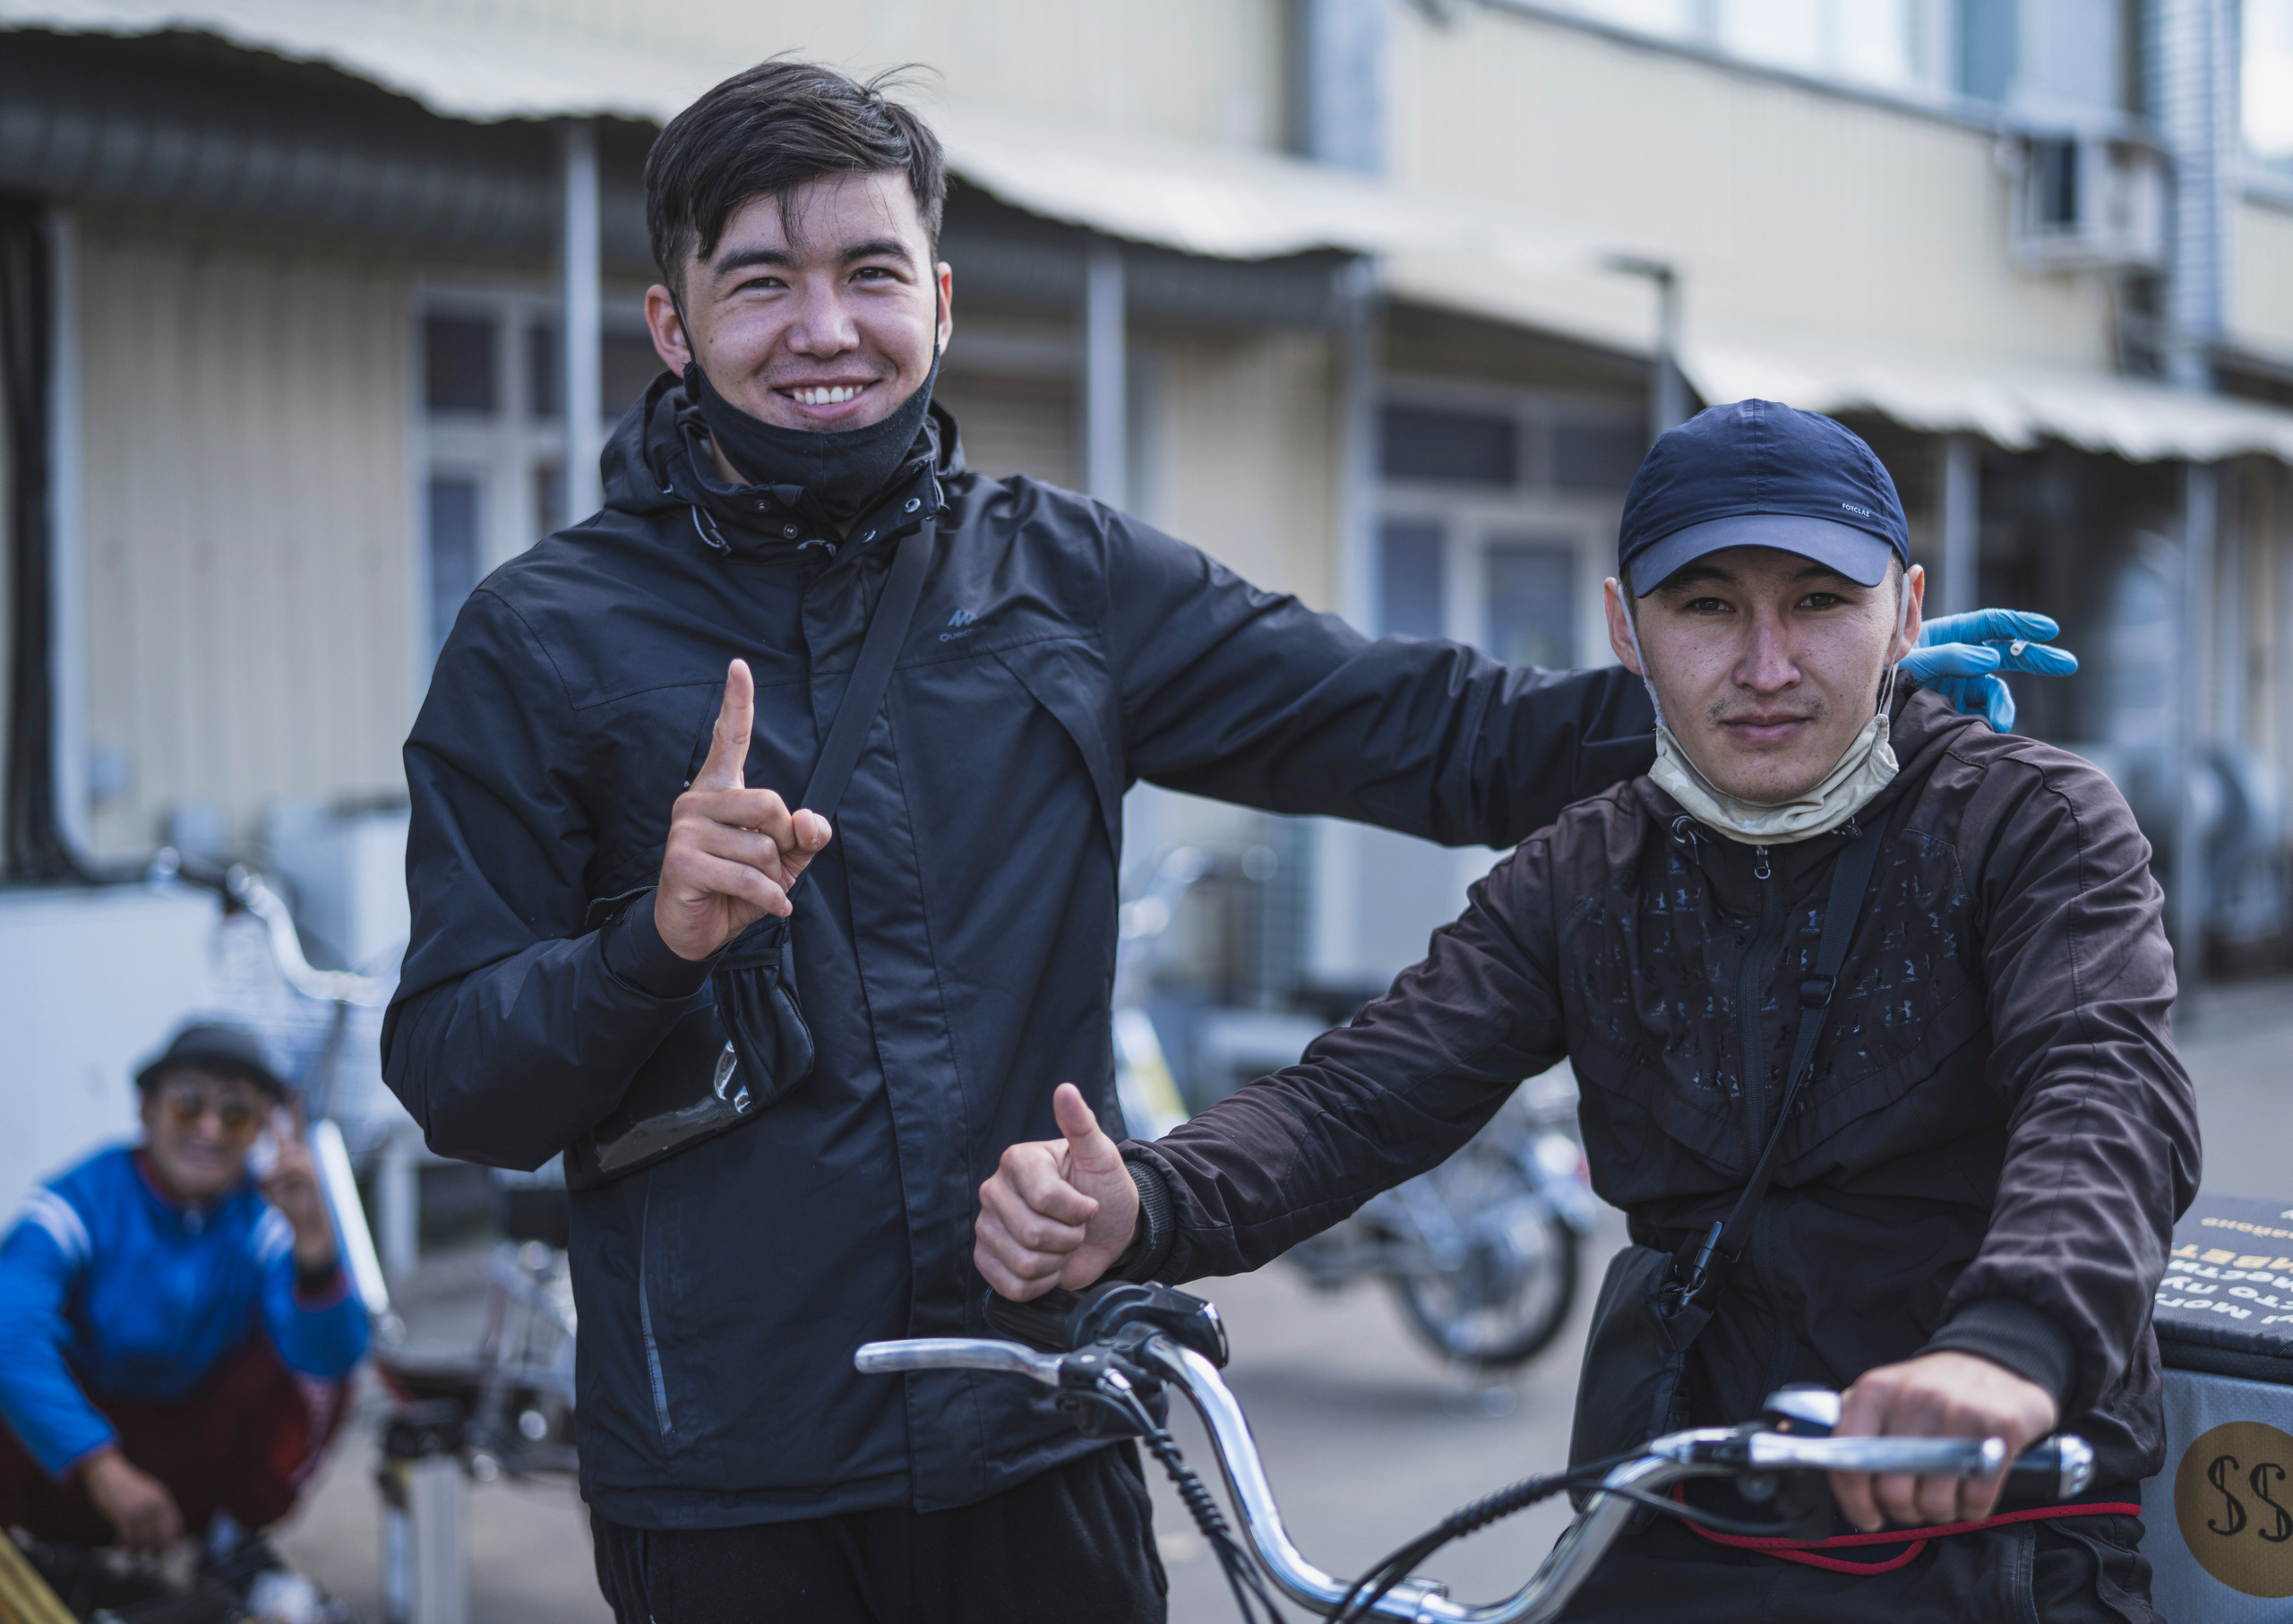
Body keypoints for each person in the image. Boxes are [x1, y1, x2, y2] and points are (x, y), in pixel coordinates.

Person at [382, 57, 2073, 1624]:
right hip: (728, 1473)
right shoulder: (542, 638)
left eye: (870, 272)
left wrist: (1776, 693)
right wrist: (649, 945)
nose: (824, 325)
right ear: (672, 325)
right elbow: (460, 1073)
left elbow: (1443, 732)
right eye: (761, 279)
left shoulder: (1063, 577)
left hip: (1039, 1418)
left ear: (941, 304)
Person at [979, 400, 2198, 1622]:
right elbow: (1364, 1095)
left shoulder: (2029, 823)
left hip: (1992, 1508)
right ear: (1627, 625)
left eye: (1821, 603)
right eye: (1708, 606)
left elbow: (2107, 1087)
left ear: (1908, 612)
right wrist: (1151, 1198)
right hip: (1686, 1504)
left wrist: (2010, 1345)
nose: (1766, 666)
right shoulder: (1590, 867)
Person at [0, 1024, 367, 1568]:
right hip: (71, 1464)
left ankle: (228, 1546)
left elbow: (332, 1358)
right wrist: (100, 1466)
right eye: (188, 1105)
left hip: (191, 1460)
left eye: (237, 1113)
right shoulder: (80, 1201)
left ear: (260, 1131)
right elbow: (9, 1329)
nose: (211, 1130)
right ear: (146, 1110)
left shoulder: (262, 1220)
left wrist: (314, 1238)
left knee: (318, 1371)